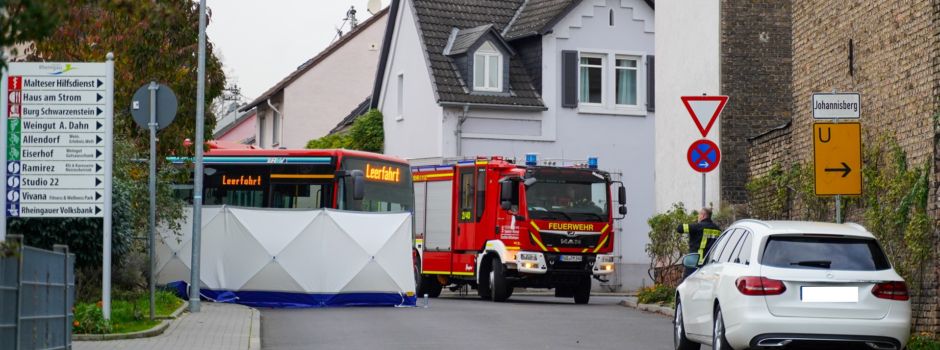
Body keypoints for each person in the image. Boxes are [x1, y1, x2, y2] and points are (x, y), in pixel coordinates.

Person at [677, 207, 721, 278]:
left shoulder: (698, 227)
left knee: (686, 283)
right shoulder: (718, 230)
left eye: (699, 215)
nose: (698, 217)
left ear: (703, 215)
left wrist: (693, 226)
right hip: (711, 264)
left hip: (696, 263)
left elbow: (679, 228)